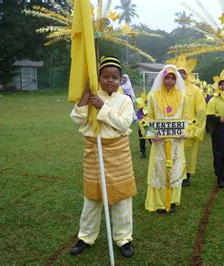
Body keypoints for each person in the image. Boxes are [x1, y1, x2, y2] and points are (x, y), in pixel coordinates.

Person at [69, 56, 136, 258]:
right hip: (93, 152)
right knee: (92, 198)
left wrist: (102, 107)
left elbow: (124, 124)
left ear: (120, 80)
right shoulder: (90, 96)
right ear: (98, 78)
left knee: (122, 198)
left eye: (114, 77)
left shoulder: (125, 100)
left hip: (118, 153)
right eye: (105, 76)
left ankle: (123, 238)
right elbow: (77, 118)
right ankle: (86, 237)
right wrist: (88, 94)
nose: (109, 80)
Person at [145, 65, 187, 214]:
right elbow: (148, 117)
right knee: (159, 168)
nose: (169, 81)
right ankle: (160, 202)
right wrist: (152, 133)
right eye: (167, 78)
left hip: (176, 141)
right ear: (162, 79)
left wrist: (185, 132)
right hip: (159, 141)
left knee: (175, 167)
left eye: (173, 78)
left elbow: (187, 118)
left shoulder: (182, 96)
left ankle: (173, 201)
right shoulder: (153, 96)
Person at [173, 56, 207, 187]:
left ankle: (187, 175)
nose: (181, 75)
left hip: (190, 128)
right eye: (179, 72)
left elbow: (201, 111)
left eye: (183, 72)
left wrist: (198, 129)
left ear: (188, 74)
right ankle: (176, 173)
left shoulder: (195, 90)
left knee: (189, 153)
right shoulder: (171, 87)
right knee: (175, 151)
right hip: (174, 126)